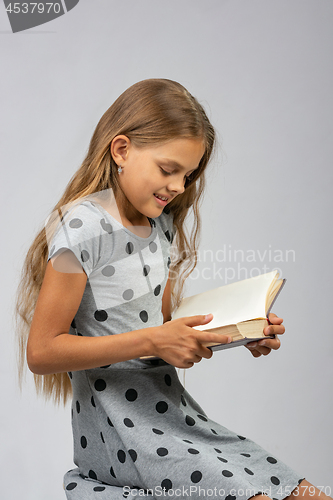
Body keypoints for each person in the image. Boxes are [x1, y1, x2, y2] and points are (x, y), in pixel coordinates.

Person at [16, 79, 329, 500]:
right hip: (122, 432)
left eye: (189, 174)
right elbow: (42, 352)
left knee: (307, 493)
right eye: (169, 170)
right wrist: (155, 338)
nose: (179, 187)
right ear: (121, 150)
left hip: (176, 416)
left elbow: (165, 329)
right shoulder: (82, 229)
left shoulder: (159, 225)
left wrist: (237, 332)